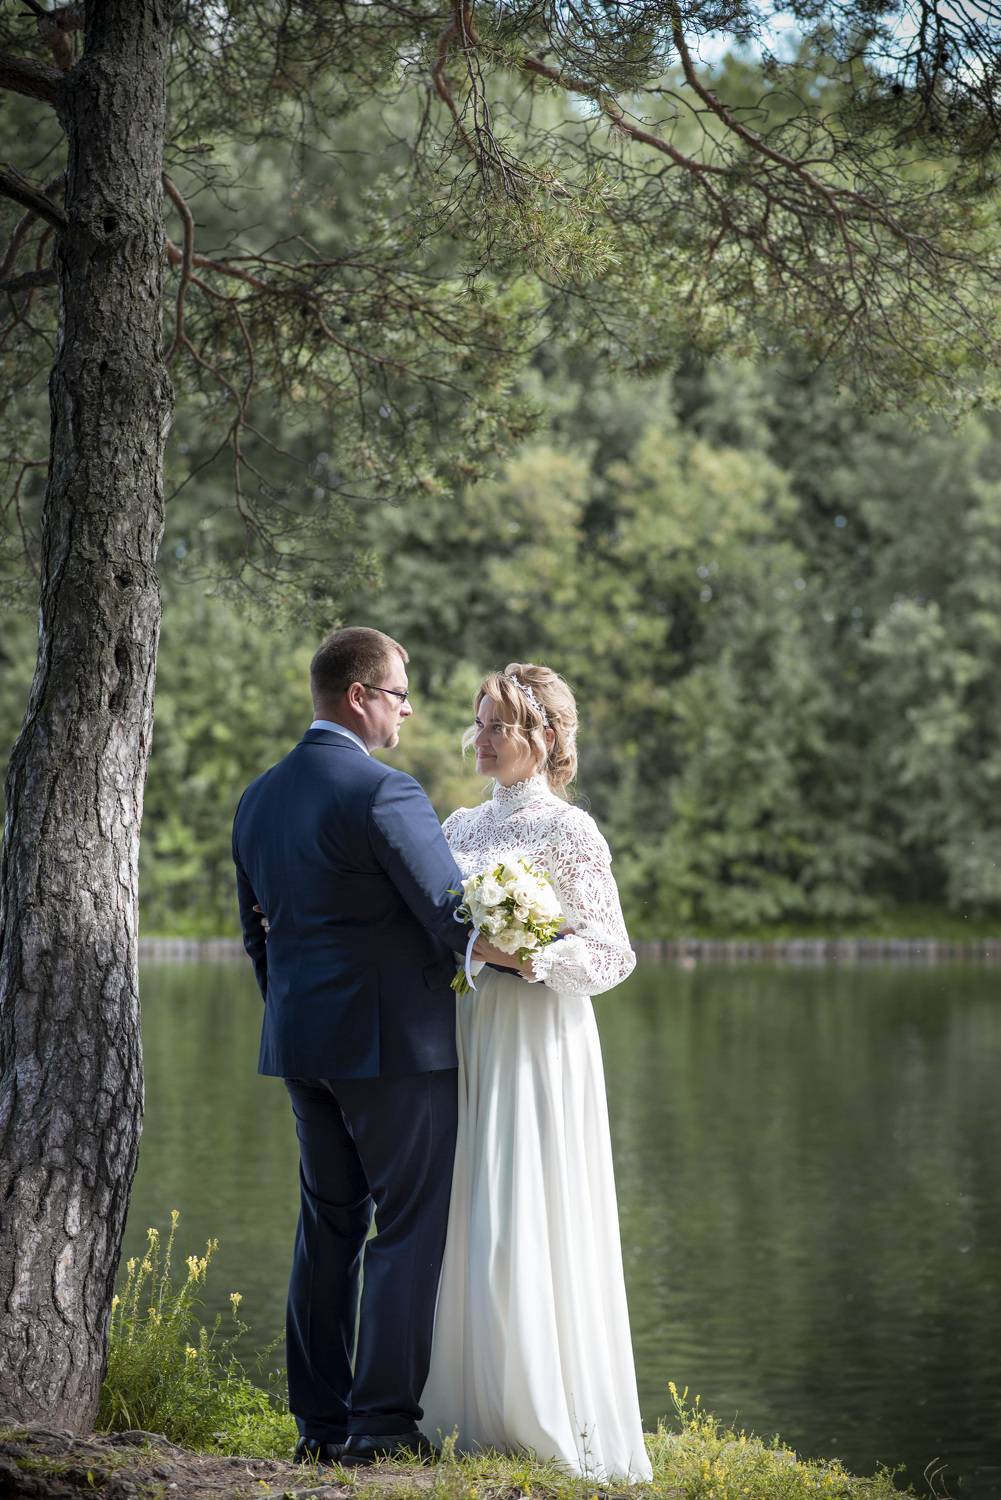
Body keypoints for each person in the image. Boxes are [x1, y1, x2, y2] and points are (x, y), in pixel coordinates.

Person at [232, 626, 469, 1467]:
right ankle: (382, 1427)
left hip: (302, 1045)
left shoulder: (258, 798)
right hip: (395, 1051)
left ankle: (320, 1426)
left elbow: (256, 937)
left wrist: (299, 1015)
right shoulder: (384, 792)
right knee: (405, 1229)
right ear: (360, 696)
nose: (407, 711)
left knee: (327, 1229)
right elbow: (452, 918)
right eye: (399, 694)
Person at [420, 663, 652, 1483]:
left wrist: (523, 955)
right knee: (467, 1198)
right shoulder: (455, 825)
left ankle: (539, 1407)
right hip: (466, 1027)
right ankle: (458, 1402)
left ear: (543, 737)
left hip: (536, 1031)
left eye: (498, 726)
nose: (480, 739)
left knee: (524, 1198)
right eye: (478, 723)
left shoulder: (570, 832)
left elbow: (611, 953)